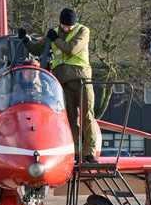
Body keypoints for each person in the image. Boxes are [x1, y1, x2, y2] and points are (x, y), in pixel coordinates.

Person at [19, 8, 97, 163]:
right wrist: (25, 39)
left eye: (69, 27)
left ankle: (89, 153)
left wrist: (56, 40)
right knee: (69, 118)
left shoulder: (83, 31)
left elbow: (72, 49)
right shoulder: (53, 32)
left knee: (87, 116)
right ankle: (75, 153)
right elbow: (38, 49)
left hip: (81, 79)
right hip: (62, 81)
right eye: (64, 25)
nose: (66, 28)